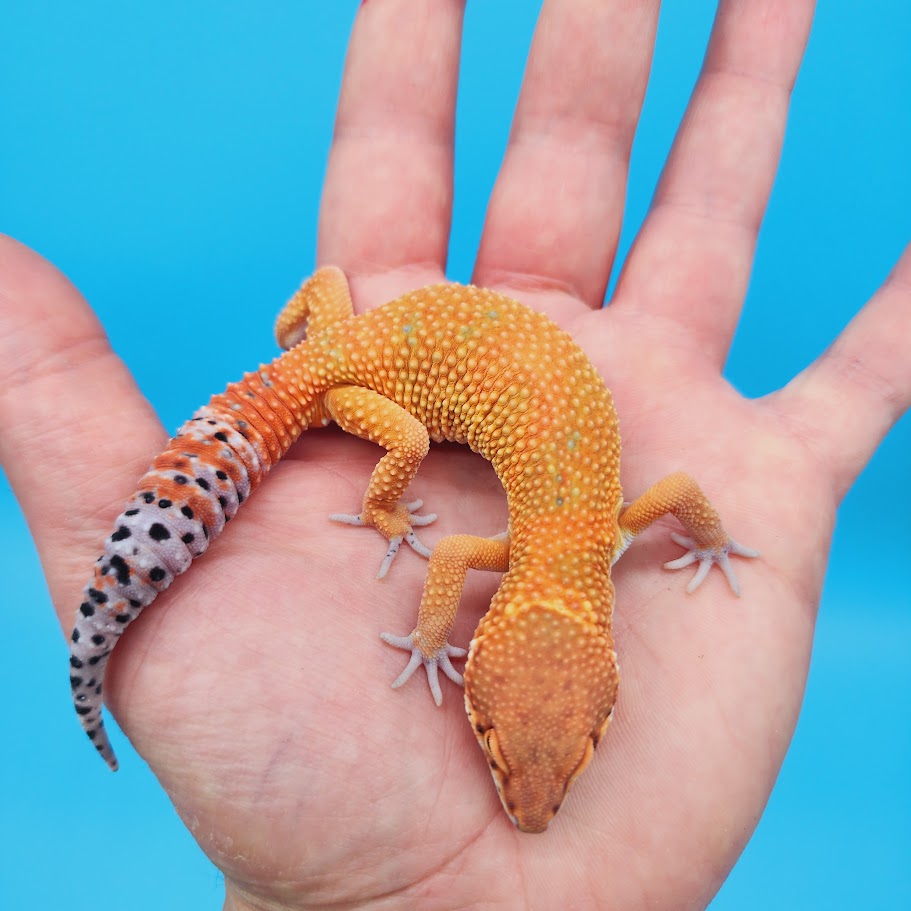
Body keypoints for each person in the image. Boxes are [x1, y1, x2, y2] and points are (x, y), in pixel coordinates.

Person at [1, 2, 907, 909]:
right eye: (535, 752)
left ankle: (311, 331)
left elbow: (672, 492)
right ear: (589, 668)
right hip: (349, 381)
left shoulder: (593, 538)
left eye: (503, 742)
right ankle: (363, 468)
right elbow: (518, 539)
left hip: (341, 339)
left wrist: (700, 533)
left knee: (369, 386)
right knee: (411, 436)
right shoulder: (543, 554)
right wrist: (389, 520)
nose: (532, 804)